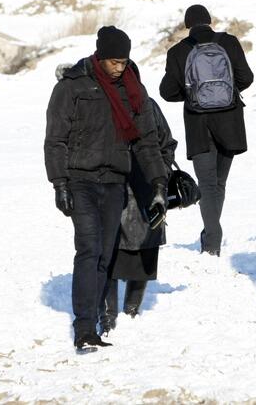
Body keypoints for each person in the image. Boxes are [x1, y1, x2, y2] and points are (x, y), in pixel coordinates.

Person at [44, 26, 168, 350]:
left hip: (114, 182)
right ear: (100, 56)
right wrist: (59, 184)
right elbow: (55, 139)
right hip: (80, 180)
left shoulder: (132, 90)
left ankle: (96, 321)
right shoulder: (72, 86)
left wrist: (158, 182)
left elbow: (146, 142)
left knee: (105, 256)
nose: (119, 68)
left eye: (124, 62)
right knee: (89, 250)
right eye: (114, 61)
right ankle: (84, 327)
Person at [159, 4, 254, 257]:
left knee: (207, 183)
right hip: (230, 122)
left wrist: (192, 96)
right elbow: (246, 78)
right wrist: (226, 94)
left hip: (198, 124)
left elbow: (167, 92)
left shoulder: (178, 51)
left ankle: (212, 237)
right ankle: (211, 233)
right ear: (209, 21)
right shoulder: (230, 43)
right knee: (219, 183)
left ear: (188, 25)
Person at [98, 97, 177, 336]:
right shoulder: (100, 104)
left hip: (144, 185)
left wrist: (159, 173)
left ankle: (129, 310)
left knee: (142, 248)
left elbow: (166, 143)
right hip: (114, 185)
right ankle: (108, 315)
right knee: (107, 251)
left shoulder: (146, 104)